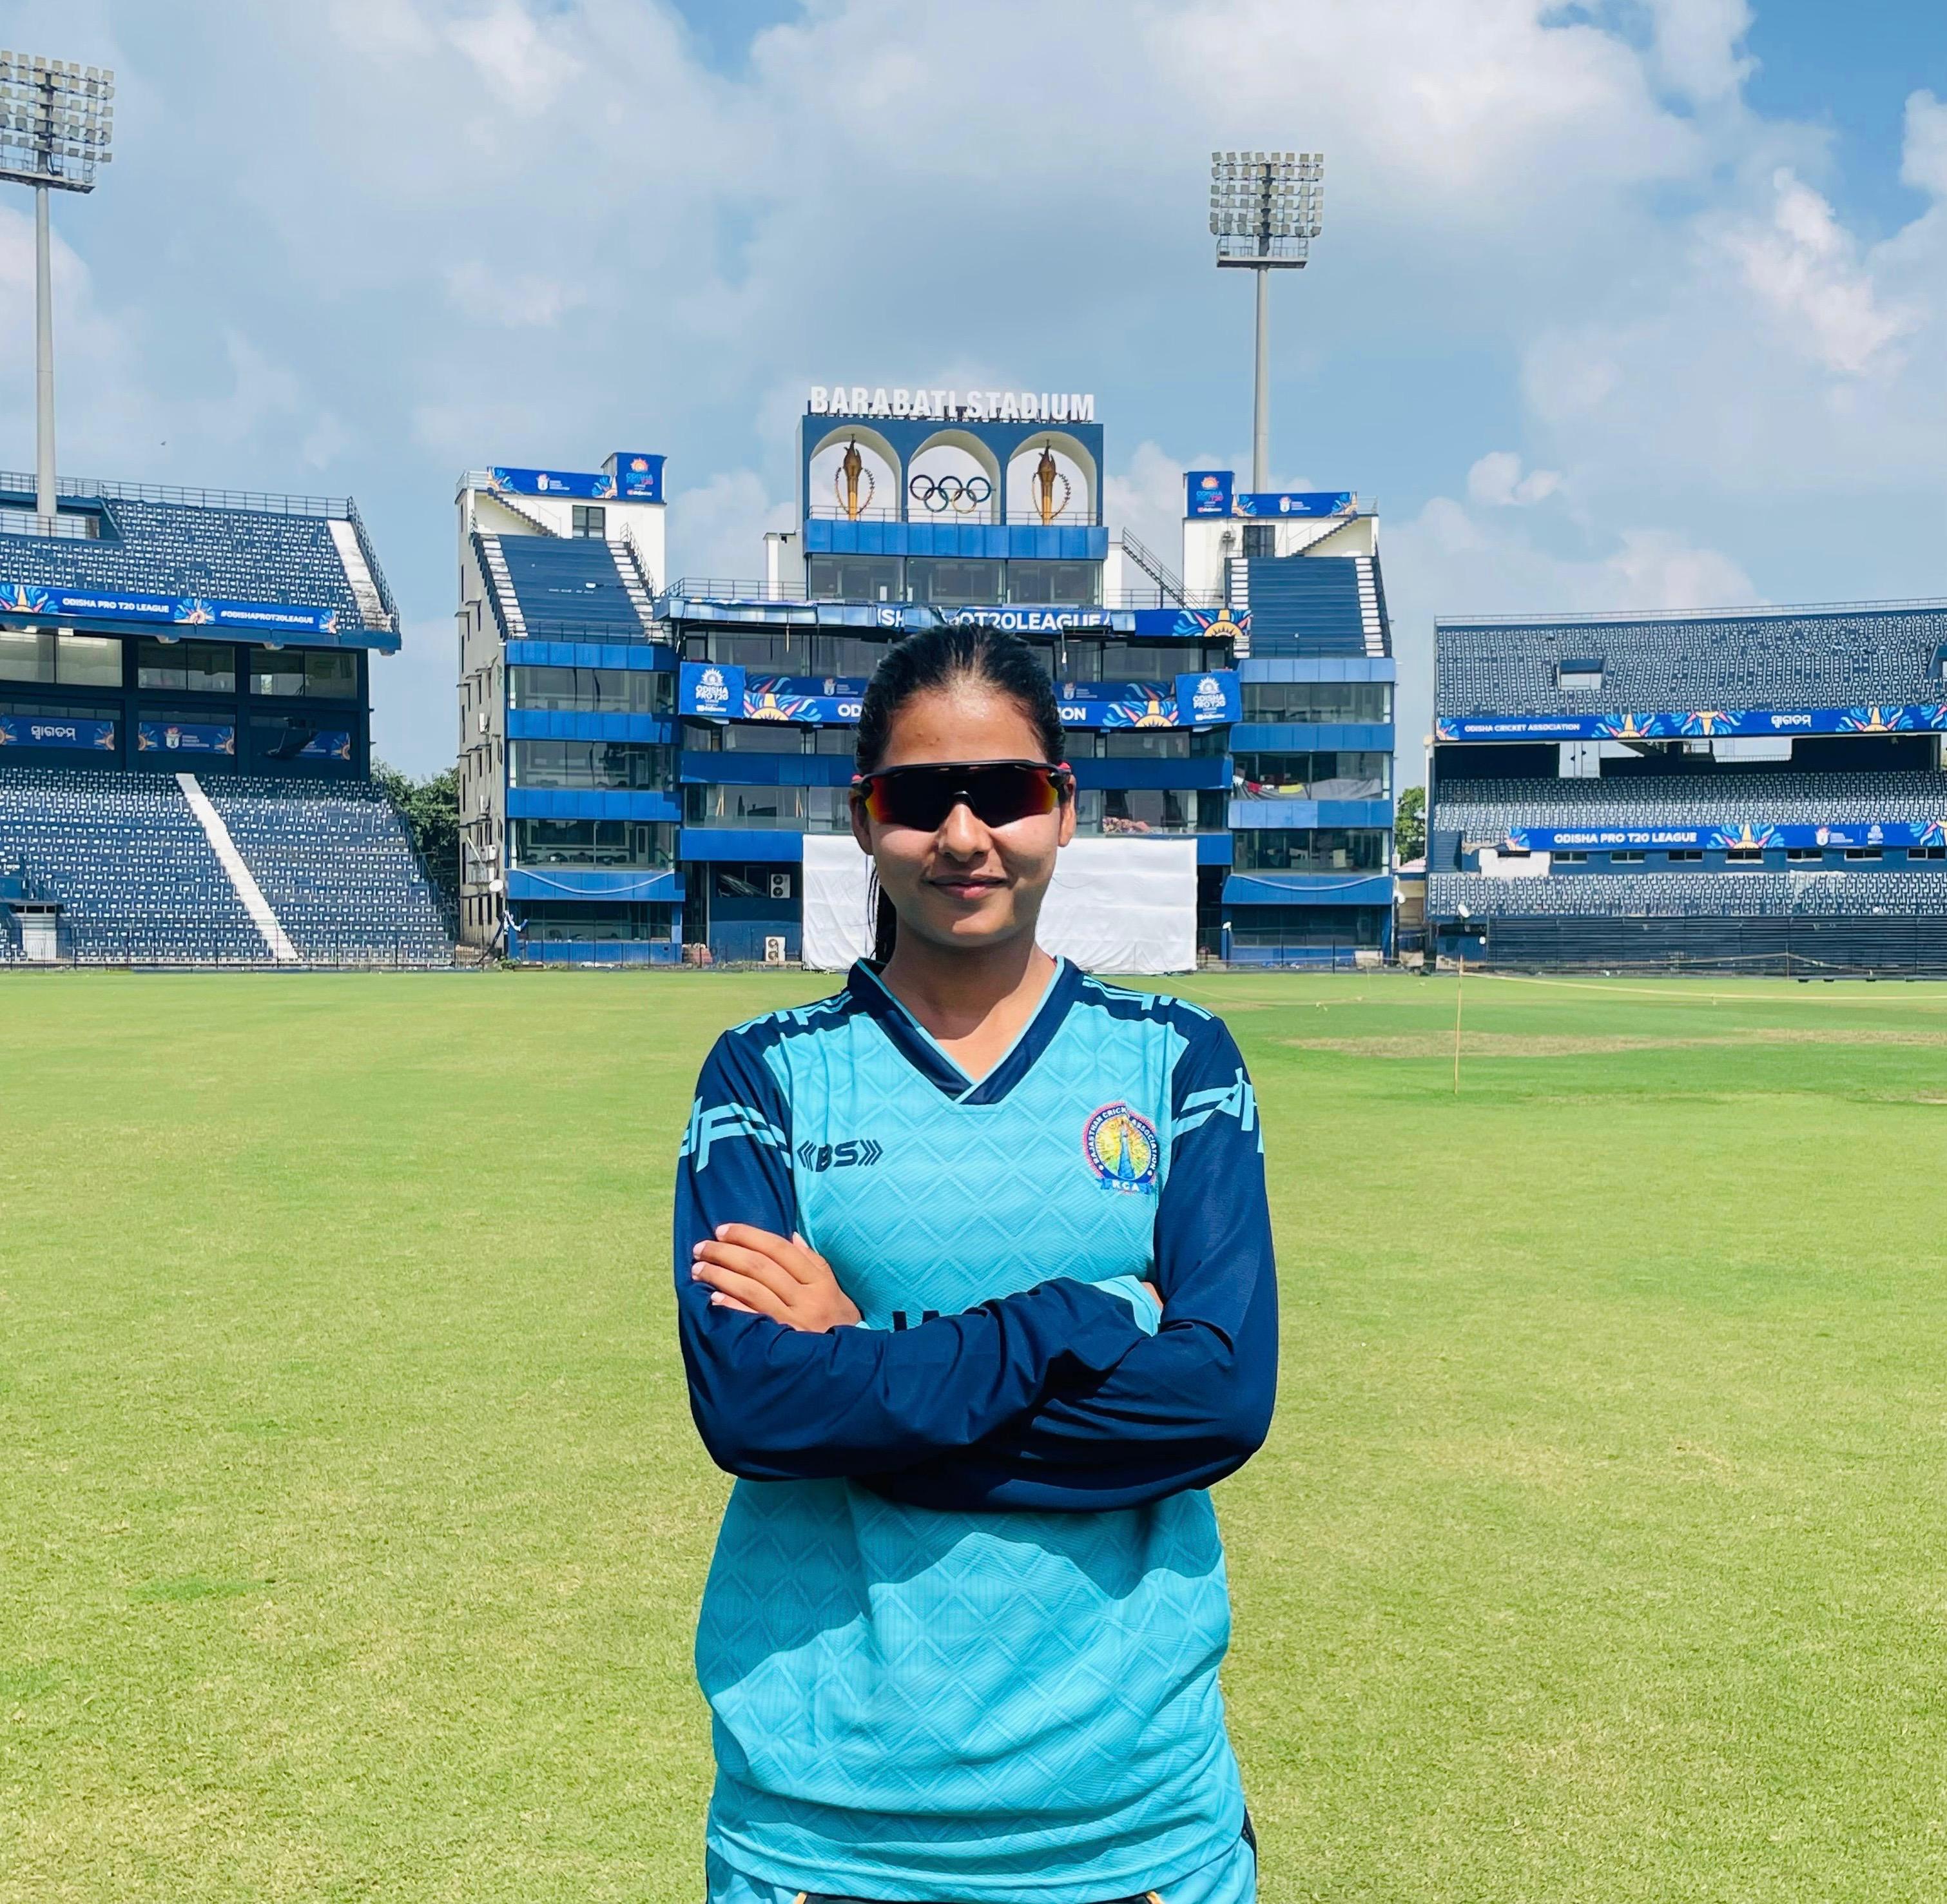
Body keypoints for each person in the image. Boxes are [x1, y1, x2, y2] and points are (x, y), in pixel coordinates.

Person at [673, 624, 1278, 1904]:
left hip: (1132, 1826)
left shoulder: (1177, 1060)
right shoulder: (764, 1074)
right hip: (825, 1831)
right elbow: (754, 1409)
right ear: (862, 817)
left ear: (1062, 807)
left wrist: (861, 1362)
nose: (962, 834)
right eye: (918, 798)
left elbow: (1214, 1403)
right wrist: (1077, 1315)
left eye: (1002, 791)